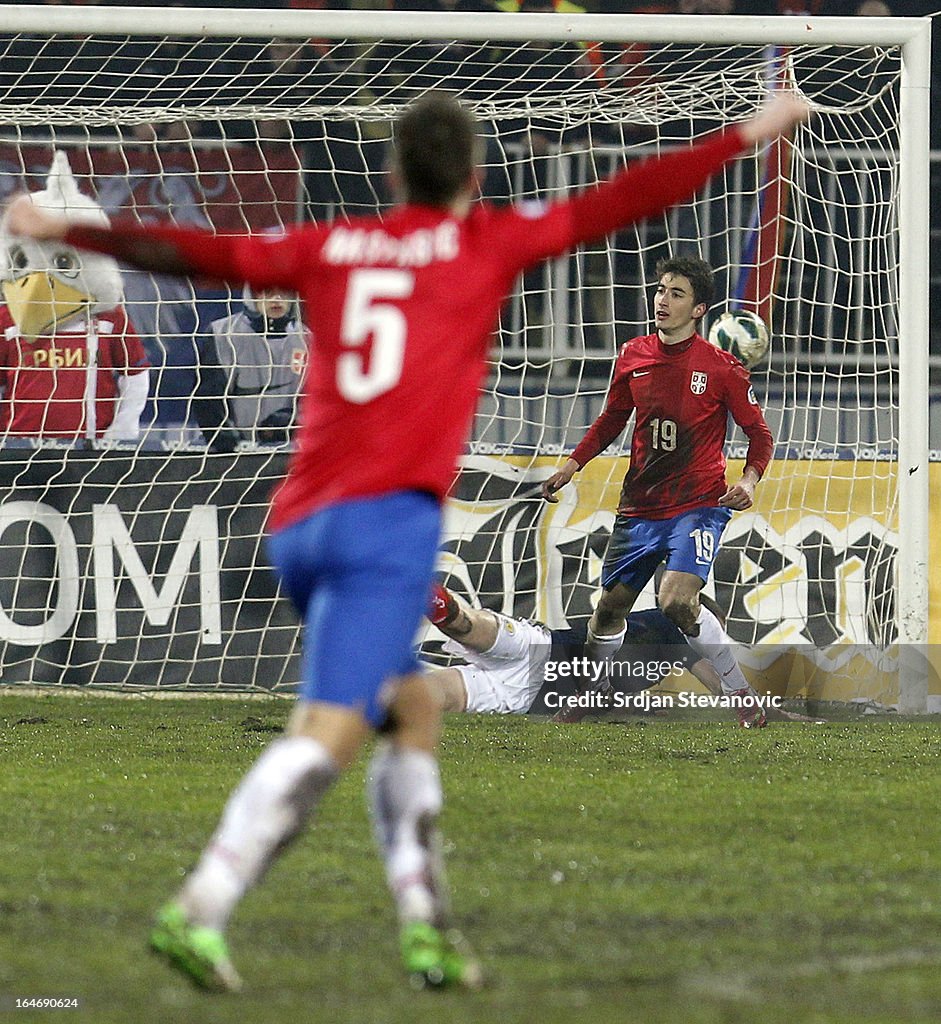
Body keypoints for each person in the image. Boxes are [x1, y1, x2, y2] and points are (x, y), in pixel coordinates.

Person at [5, 90, 808, 993]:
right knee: (329, 731)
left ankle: (424, 925)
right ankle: (202, 903)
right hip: (382, 524)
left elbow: (198, 253)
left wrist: (77, 232)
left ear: (391, 174)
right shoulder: (484, 244)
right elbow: (625, 196)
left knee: (411, 710)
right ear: (471, 179)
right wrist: (749, 130)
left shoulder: (332, 245)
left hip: (299, 518)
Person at [541, 256, 773, 692]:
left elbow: (760, 435)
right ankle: (594, 694)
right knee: (610, 610)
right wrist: (572, 466)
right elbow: (612, 418)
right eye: (661, 290)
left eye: (676, 293)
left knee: (676, 601)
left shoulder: (722, 368)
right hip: (641, 507)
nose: (663, 300)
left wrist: (748, 480)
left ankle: (740, 694)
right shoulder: (633, 355)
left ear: (699, 310)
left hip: (698, 505)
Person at [426, 582, 791, 727]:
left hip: (532, 684)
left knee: (437, 684)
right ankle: (425, 594)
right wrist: (759, 706)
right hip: (539, 665)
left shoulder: (667, 649)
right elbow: (720, 685)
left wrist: (627, 706)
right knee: (461, 633)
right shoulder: (673, 631)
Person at [0, 152, 149, 443]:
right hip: (18, 445)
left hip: (87, 446)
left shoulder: (109, 317)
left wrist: (122, 429)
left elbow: (135, 373)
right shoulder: (7, 316)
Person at [194, 286, 308, 452]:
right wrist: (230, 446)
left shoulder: (306, 338)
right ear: (251, 296)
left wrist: (292, 422)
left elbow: (316, 401)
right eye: (267, 290)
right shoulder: (222, 334)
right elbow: (209, 401)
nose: (276, 298)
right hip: (233, 453)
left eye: (284, 290)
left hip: (288, 450)